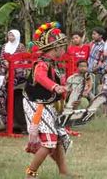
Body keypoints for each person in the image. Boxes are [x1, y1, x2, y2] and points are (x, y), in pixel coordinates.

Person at [22, 21, 71, 179]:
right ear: (56, 48)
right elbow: (40, 77)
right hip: (37, 105)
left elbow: (56, 84)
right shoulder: (42, 63)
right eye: (62, 47)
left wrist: (65, 91)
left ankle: (64, 172)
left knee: (57, 142)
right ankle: (30, 173)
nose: (64, 50)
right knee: (49, 142)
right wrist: (55, 87)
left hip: (46, 104)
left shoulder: (52, 64)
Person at [88, 27, 106, 94]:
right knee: (89, 87)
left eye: (94, 34)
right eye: (92, 34)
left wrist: (94, 69)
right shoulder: (91, 43)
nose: (93, 35)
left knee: (93, 87)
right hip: (88, 68)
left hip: (97, 71)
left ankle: (97, 102)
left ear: (100, 35)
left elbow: (102, 61)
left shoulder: (104, 46)